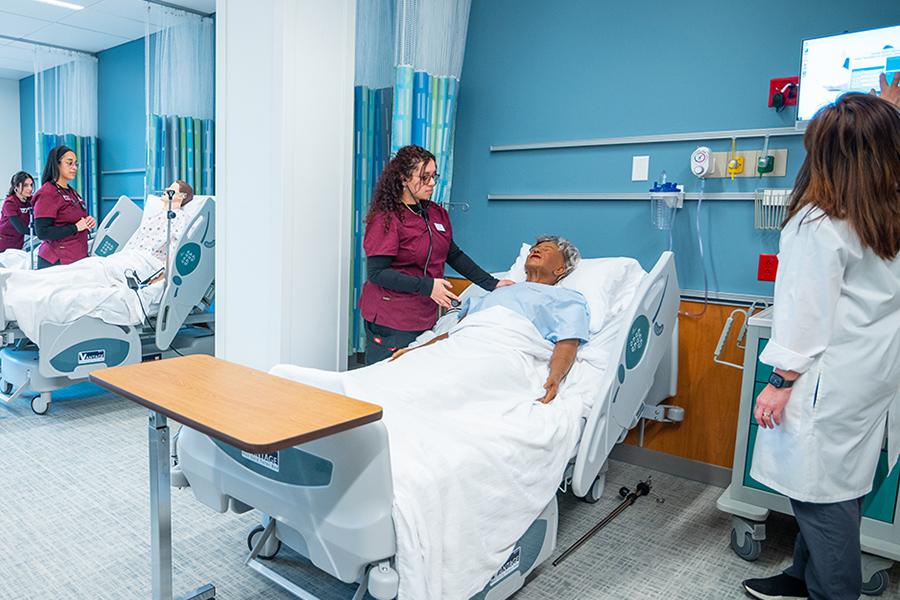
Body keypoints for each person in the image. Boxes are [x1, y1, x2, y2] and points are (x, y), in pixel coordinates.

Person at [741, 93, 900, 600]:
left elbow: (803, 314)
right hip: (871, 375)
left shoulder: (819, 222)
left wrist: (780, 380)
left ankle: (833, 592)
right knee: (839, 486)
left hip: (823, 381)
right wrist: (882, 111)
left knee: (820, 498)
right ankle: (799, 580)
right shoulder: (887, 212)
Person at [359, 144, 514, 365]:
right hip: (392, 316)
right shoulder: (387, 218)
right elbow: (377, 273)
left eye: (434, 176)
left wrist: (491, 283)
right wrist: (427, 286)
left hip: (423, 314)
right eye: (424, 177)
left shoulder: (435, 213)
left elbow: (453, 254)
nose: (432, 183)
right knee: (385, 378)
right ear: (403, 178)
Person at [392, 235, 589, 403]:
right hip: (465, 344)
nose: (536, 250)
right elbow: (455, 332)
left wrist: (555, 377)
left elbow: (567, 342)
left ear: (560, 270)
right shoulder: (498, 292)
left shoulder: (567, 298)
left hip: (505, 349)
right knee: (407, 375)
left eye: (546, 249)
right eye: (535, 248)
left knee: (449, 385)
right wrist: (417, 350)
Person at [32, 145, 95, 269]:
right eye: (69, 163)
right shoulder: (47, 193)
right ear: (57, 164)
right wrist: (76, 227)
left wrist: (87, 222)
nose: (74, 167)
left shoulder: (71, 192)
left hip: (76, 256)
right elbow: (42, 232)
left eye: (76, 164)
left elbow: (73, 218)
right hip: (57, 261)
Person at [0, 172, 34, 252]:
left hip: (18, 244)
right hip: (3, 244)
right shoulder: (10, 203)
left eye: (31, 185)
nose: (30, 189)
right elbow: (21, 228)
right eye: (26, 185)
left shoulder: (30, 200)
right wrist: (43, 232)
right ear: (16, 187)